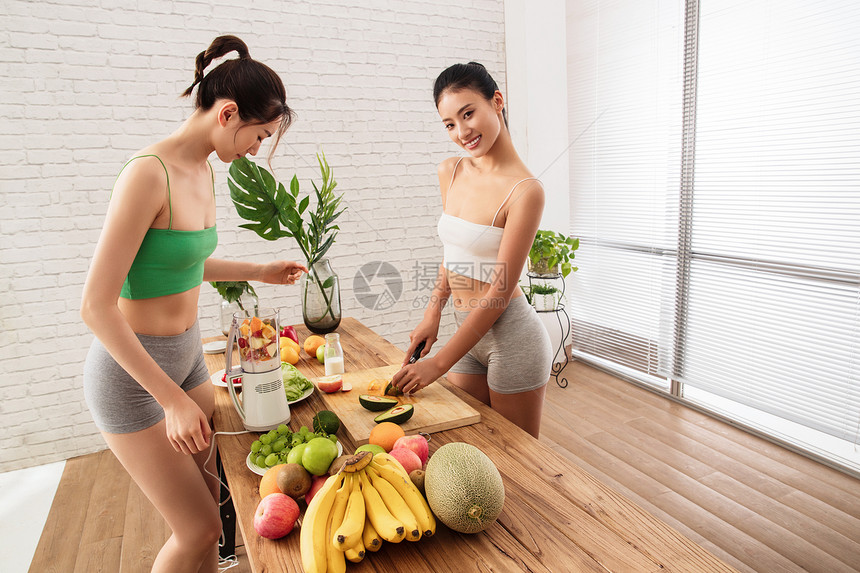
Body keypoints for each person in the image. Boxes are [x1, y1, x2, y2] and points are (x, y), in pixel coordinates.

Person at [80, 36, 307, 573]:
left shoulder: (204, 170)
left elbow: (178, 263)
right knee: (197, 528)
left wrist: (259, 270)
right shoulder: (147, 173)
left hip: (184, 358)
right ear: (228, 114)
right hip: (132, 377)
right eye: (258, 135)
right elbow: (95, 304)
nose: (256, 149)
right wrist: (169, 400)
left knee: (215, 518)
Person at [392, 62, 553, 438]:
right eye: (449, 124)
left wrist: (438, 364)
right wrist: (433, 312)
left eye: (468, 114)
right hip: (466, 334)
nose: (462, 132)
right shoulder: (450, 172)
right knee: (469, 448)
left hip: (513, 339)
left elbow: (499, 290)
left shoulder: (526, 191)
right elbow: (453, 253)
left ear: (496, 101)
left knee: (519, 462)